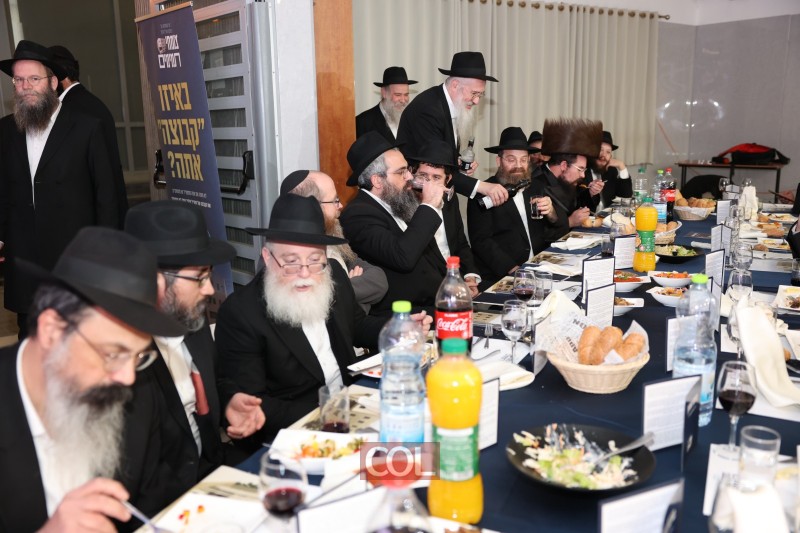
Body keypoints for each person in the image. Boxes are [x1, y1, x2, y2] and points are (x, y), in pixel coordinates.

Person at [0, 226, 185, 532]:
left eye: (139, 356)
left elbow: (157, 505)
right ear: (52, 330)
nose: (128, 377)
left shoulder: (137, 395)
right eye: (113, 353)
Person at [215, 194, 405, 451]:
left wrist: (398, 329)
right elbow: (255, 403)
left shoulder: (333, 276)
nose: (305, 274)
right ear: (268, 257)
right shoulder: (241, 313)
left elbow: (357, 326)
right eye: (291, 262)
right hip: (295, 436)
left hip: (357, 410)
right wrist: (334, 412)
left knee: (425, 454)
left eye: (315, 261)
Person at [120, 200, 265, 520]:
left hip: (213, 474)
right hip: (162, 510)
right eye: (199, 278)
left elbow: (215, 378)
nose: (209, 289)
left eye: (209, 275)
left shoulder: (190, 319)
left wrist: (228, 402)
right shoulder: (122, 356)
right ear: (154, 280)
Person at [0, 40, 125, 339]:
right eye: (19, 80)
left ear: (53, 82)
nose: (26, 87)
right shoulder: (5, 131)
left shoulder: (86, 127)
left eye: (34, 78)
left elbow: (107, 196)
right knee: (32, 342)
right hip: (25, 263)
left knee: (79, 343)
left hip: (75, 261)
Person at [340, 132, 481, 317]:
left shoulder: (397, 202)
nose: (409, 176)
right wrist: (428, 205)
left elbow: (431, 258)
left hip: (438, 303)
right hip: (405, 316)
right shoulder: (357, 215)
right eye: (401, 172)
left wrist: (454, 287)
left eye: (407, 169)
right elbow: (403, 257)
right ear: (377, 180)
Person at [396, 51, 509, 207]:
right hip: (417, 201)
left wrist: (457, 164)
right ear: (455, 85)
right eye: (474, 93)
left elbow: (441, 155)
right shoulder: (428, 109)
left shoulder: (447, 104)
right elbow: (433, 166)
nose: (477, 101)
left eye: (480, 95)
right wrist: (483, 186)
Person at [280, 170, 388, 312]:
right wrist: (354, 296)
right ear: (314, 206)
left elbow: (378, 280)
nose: (341, 205)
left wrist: (342, 291)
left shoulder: (331, 236)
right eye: (335, 201)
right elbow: (326, 311)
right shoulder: (282, 255)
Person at [49, 44, 127, 226]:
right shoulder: (89, 103)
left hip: (91, 220)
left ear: (58, 79)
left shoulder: (72, 110)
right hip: (106, 215)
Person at [467, 127, 556, 287]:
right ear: (499, 161)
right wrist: (514, 270)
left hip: (539, 267)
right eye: (511, 159)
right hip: (501, 277)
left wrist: (551, 212)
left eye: (523, 160)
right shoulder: (483, 193)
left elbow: (555, 225)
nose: (518, 165)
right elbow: (481, 241)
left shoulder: (536, 186)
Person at [529, 118, 604, 242]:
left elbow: (579, 205)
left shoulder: (566, 179)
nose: (583, 175)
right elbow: (536, 235)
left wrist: (591, 193)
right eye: (580, 169)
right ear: (564, 165)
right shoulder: (535, 184)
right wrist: (569, 222)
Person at [356, 66, 416, 142]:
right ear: (384, 93)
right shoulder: (363, 122)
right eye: (398, 95)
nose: (403, 100)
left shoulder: (413, 120)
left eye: (406, 95)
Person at [581, 130, 633, 212]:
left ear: (611, 156)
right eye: (600, 150)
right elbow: (575, 202)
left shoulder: (611, 170)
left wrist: (622, 167)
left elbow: (625, 195)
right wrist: (590, 192)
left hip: (608, 217)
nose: (604, 155)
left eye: (608, 152)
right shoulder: (581, 171)